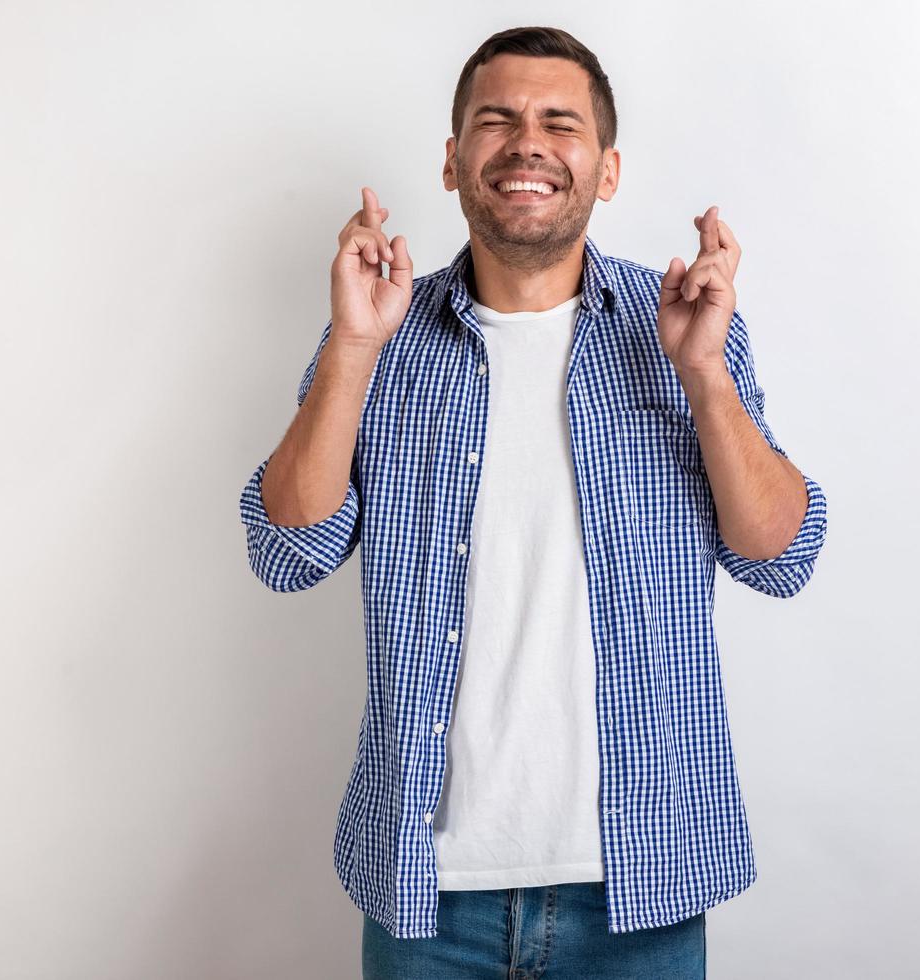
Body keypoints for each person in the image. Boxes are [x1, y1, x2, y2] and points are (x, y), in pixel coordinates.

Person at [239, 25, 829, 979]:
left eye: (560, 123)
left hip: (640, 885)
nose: (527, 143)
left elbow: (779, 557)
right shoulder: (379, 338)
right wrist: (351, 350)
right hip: (424, 891)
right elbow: (286, 553)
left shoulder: (680, 327)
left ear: (605, 170)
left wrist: (705, 375)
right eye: (495, 120)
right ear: (451, 160)